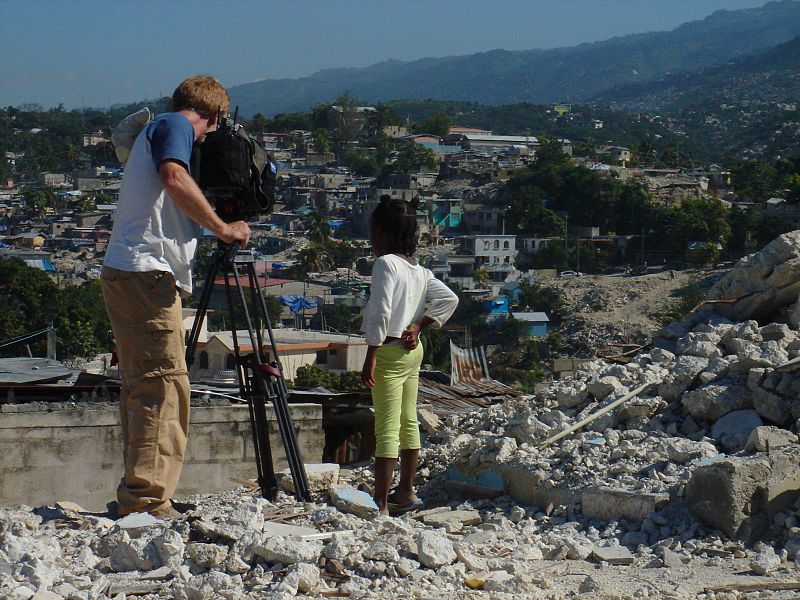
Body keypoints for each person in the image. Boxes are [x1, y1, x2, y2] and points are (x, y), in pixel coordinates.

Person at [101, 75, 251, 518]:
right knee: (164, 387)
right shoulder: (177, 126)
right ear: (215, 116)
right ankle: (146, 500)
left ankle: (141, 491)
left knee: (144, 386)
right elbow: (172, 175)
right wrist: (223, 228)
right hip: (146, 274)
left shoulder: (159, 127)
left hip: (129, 272)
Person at [361, 195, 459, 515]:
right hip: (413, 351)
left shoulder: (385, 264)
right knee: (408, 421)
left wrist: (371, 353)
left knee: (386, 427)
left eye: (374, 231)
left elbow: (380, 311)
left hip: (388, 350)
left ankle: (380, 503)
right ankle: (405, 491)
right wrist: (420, 324)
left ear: (385, 233)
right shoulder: (420, 270)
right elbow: (449, 300)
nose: (371, 238)